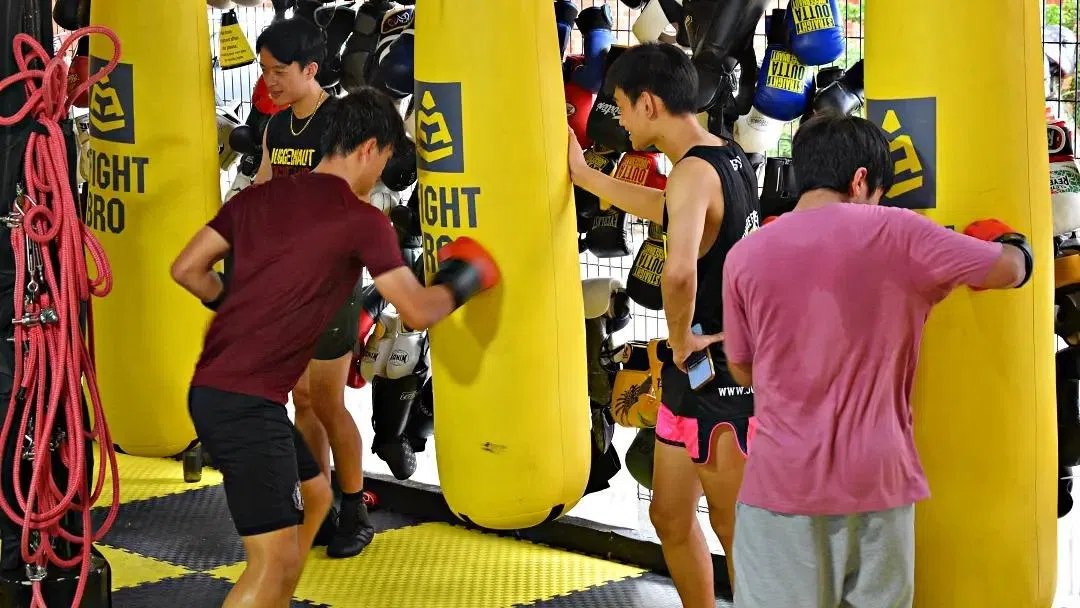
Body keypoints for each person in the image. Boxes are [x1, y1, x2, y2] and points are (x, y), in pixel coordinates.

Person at [170, 89, 500, 607]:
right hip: (244, 407)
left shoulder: (256, 199)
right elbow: (416, 311)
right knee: (272, 560)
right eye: (386, 160)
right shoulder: (362, 219)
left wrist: (237, 303)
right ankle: (271, 587)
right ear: (369, 148)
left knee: (318, 494)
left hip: (216, 391)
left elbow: (186, 269)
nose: (380, 175)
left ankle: (274, 596)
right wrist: (467, 278)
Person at [720, 112, 1031, 608]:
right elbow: (1009, 271)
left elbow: (741, 366)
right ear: (861, 179)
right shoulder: (902, 234)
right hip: (878, 482)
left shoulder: (746, 255)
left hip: (781, 483)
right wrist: (1012, 241)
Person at [568, 42, 760, 606]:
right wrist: (586, 177)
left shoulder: (693, 173)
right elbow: (672, 212)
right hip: (697, 377)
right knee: (670, 515)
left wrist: (678, 340)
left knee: (735, 529)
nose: (619, 119)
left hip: (721, 375)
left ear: (648, 104)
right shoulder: (720, 155)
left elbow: (678, 274)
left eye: (622, 106)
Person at [250, 17, 373, 557]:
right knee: (300, 398)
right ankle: (318, 502)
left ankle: (355, 510)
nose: (269, 81)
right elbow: (263, 185)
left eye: (279, 71)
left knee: (326, 399)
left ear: (311, 70)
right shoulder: (277, 128)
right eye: (264, 71)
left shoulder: (341, 122)